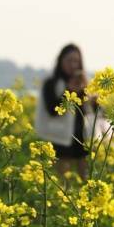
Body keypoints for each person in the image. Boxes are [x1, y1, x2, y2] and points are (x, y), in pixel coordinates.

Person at [40, 44, 90, 178]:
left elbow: (88, 112)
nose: (73, 65)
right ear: (60, 61)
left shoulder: (83, 83)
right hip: (59, 138)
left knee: (85, 179)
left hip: (81, 137)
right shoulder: (51, 83)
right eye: (69, 60)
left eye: (76, 61)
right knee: (63, 182)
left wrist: (89, 94)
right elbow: (52, 110)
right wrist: (70, 91)